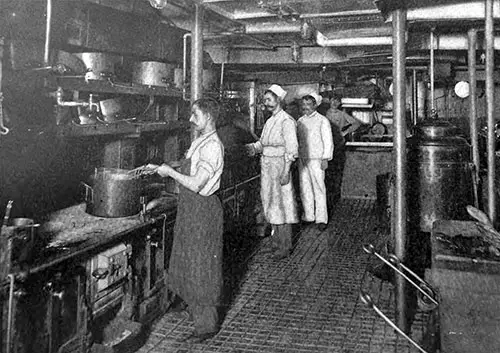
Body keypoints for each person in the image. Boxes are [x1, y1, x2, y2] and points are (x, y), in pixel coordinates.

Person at [143, 98, 224, 343]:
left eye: (195, 115)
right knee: (187, 259)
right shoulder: (201, 140)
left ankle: (206, 325)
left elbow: (197, 184)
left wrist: (169, 173)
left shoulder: (213, 147)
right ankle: (193, 305)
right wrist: (165, 166)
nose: (190, 119)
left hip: (203, 209)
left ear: (209, 116)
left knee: (202, 267)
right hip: (191, 209)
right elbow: (190, 168)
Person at [246, 84, 299, 259]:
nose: (266, 103)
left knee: (282, 206)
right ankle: (275, 242)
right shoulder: (270, 121)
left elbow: (292, 150)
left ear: (278, 100)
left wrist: (286, 172)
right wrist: (251, 148)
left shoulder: (287, 121)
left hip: (280, 166)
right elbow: (263, 143)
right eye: (265, 100)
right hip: (267, 165)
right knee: (269, 203)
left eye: (269, 100)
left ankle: (285, 246)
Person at [297, 93, 333, 231]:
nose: (305, 107)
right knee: (305, 188)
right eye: (303, 105)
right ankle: (308, 216)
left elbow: (328, 141)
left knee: (319, 188)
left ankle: (321, 219)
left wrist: (325, 158)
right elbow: (298, 141)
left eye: (308, 104)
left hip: (317, 159)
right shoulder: (299, 121)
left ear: (315, 105)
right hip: (303, 158)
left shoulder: (322, 120)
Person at [325, 94, 362, 212]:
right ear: (329, 101)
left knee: (336, 171)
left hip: (337, 145)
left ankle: (335, 198)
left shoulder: (342, 114)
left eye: (337, 101)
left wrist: (344, 133)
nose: (335, 103)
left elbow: (356, 123)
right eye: (333, 100)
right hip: (325, 145)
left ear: (340, 103)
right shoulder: (324, 113)